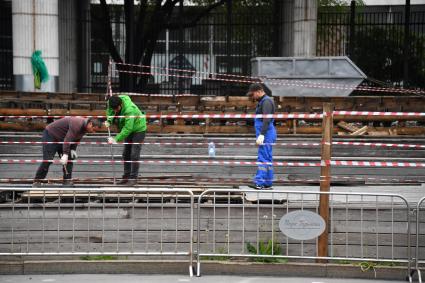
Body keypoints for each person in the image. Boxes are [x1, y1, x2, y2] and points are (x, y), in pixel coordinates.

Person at [33, 117, 100, 187]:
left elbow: (77, 138)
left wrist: (73, 149)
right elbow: (68, 139)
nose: (93, 132)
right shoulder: (77, 123)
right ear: (90, 124)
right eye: (94, 129)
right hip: (51, 135)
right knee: (48, 160)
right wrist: (65, 154)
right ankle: (37, 181)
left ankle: (67, 181)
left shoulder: (85, 128)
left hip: (62, 138)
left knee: (69, 159)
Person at [105, 95, 147, 186]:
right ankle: (126, 176)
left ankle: (133, 178)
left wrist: (116, 139)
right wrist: (109, 120)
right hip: (128, 128)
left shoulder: (129, 110)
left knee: (134, 154)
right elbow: (110, 111)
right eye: (114, 109)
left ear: (120, 105)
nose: (115, 111)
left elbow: (128, 128)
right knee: (126, 153)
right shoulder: (111, 102)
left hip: (139, 129)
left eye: (117, 109)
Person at [247, 83, 277, 190]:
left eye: (253, 94)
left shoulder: (266, 101)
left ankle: (259, 182)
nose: (252, 97)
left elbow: (266, 120)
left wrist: (262, 135)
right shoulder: (264, 102)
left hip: (266, 134)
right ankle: (268, 182)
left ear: (259, 91)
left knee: (263, 158)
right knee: (267, 158)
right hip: (267, 133)